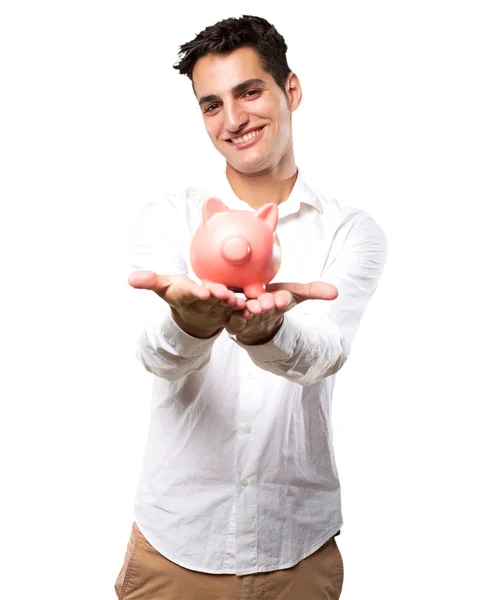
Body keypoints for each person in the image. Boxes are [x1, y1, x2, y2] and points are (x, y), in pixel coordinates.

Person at [115, 14, 387, 600]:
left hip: (298, 551)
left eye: (249, 91)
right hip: (177, 547)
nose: (233, 120)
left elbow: (324, 353)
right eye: (211, 105)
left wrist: (267, 333)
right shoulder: (166, 219)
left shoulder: (351, 232)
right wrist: (189, 324)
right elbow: (157, 357)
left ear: (291, 89)